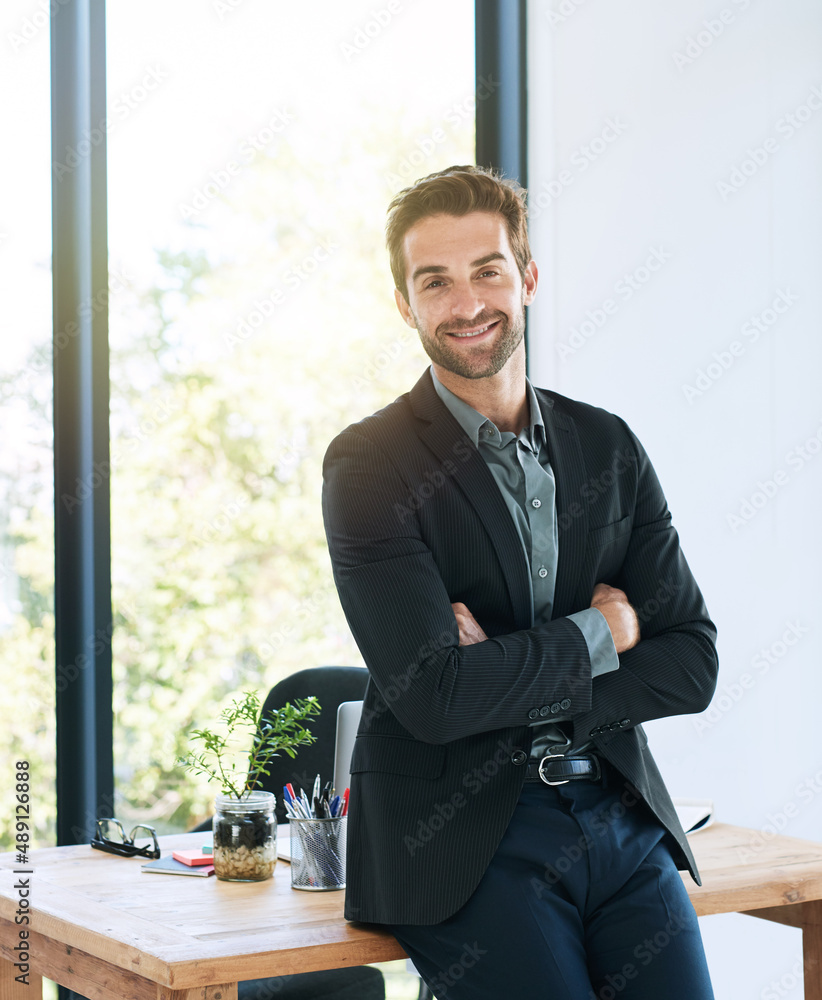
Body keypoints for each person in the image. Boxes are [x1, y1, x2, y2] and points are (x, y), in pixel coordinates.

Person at [321, 165, 718, 999]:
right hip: (464, 843)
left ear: (527, 278)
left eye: (488, 272)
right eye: (436, 281)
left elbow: (691, 663)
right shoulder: (369, 466)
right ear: (406, 303)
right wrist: (602, 634)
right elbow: (432, 697)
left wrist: (501, 670)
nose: (467, 305)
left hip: (617, 811)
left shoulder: (607, 447)